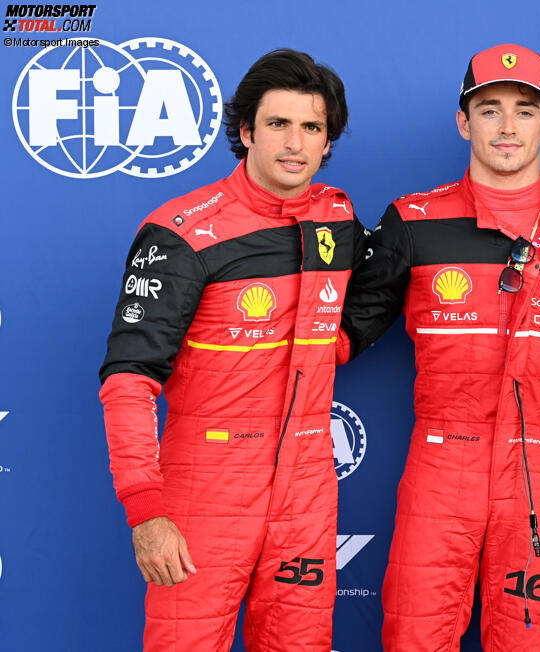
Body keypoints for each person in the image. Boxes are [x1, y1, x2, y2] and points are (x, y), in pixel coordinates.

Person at [337, 43, 540, 651]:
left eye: (525, 110)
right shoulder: (413, 220)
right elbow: (344, 333)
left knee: (531, 642)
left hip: (538, 469)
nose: (507, 127)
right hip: (438, 464)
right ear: (463, 121)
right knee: (415, 639)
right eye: (489, 109)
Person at [98, 49, 369, 651]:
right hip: (205, 490)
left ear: (328, 142)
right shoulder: (181, 232)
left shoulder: (338, 216)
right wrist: (146, 510)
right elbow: (129, 379)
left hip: (306, 490)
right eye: (278, 124)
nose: (295, 143)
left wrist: (531, 193)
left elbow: (395, 274)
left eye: (312, 127)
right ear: (245, 132)